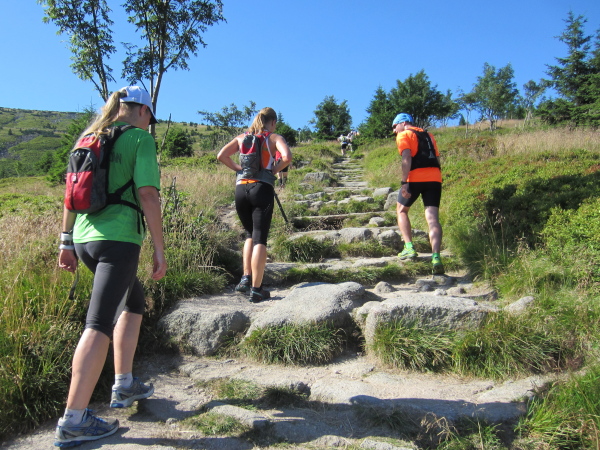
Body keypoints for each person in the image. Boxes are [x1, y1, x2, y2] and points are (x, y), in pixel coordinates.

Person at [55, 86, 167, 447]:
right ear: (142, 111)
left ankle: (124, 384)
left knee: (134, 302)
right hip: (118, 241)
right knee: (99, 323)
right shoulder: (140, 139)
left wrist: (66, 243)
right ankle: (74, 420)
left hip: (85, 238)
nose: (149, 123)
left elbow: (71, 193)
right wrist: (159, 249)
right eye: (149, 116)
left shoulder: (89, 138)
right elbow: (148, 194)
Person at [217, 107, 292, 302]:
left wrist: (239, 169)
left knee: (249, 234)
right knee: (260, 238)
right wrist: (273, 171)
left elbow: (221, 155)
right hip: (261, 189)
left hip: (241, 189)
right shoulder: (274, 138)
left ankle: (245, 278)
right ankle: (257, 289)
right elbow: (287, 157)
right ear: (273, 122)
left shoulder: (243, 137)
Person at [392, 113, 445, 275]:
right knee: (433, 219)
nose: (394, 130)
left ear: (403, 123)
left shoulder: (404, 135)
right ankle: (436, 257)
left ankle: (409, 247)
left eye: (394, 126)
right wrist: (437, 178)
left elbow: (406, 156)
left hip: (415, 178)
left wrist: (404, 182)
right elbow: (437, 158)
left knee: (401, 210)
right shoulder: (429, 136)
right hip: (434, 178)